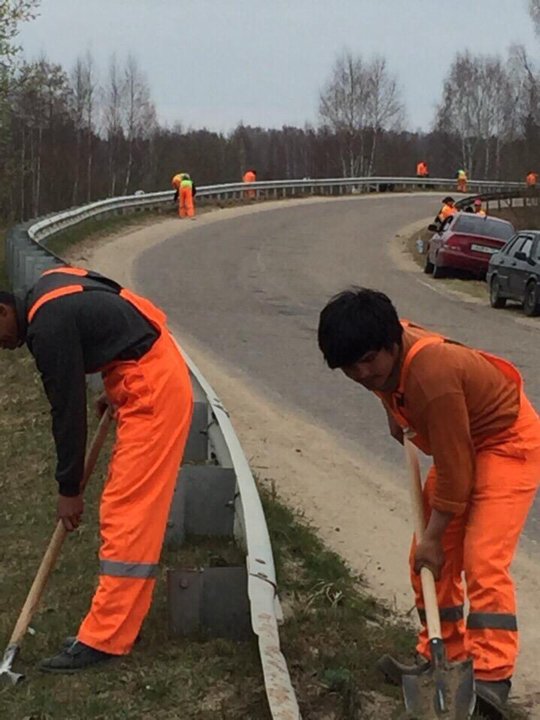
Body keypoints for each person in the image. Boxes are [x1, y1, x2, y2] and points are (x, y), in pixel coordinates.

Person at [317, 288, 540, 716]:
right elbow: (384, 380)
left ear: (390, 345)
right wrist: (394, 411)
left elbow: (456, 475)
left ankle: (493, 676)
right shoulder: (381, 350)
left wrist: (435, 537)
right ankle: (443, 654)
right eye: (349, 367)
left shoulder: (431, 376)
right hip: (459, 437)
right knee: (423, 561)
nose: (361, 373)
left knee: (481, 558)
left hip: (507, 442)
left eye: (367, 361)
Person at [0, 266, 194, 672]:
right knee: (129, 513)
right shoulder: (49, 286)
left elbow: (67, 411)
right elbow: (116, 309)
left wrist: (68, 488)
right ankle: (121, 623)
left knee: (128, 516)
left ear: (3, 312)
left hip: (153, 392)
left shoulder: (46, 327)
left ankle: (106, 638)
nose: (1, 347)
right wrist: (115, 383)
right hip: (146, 370)